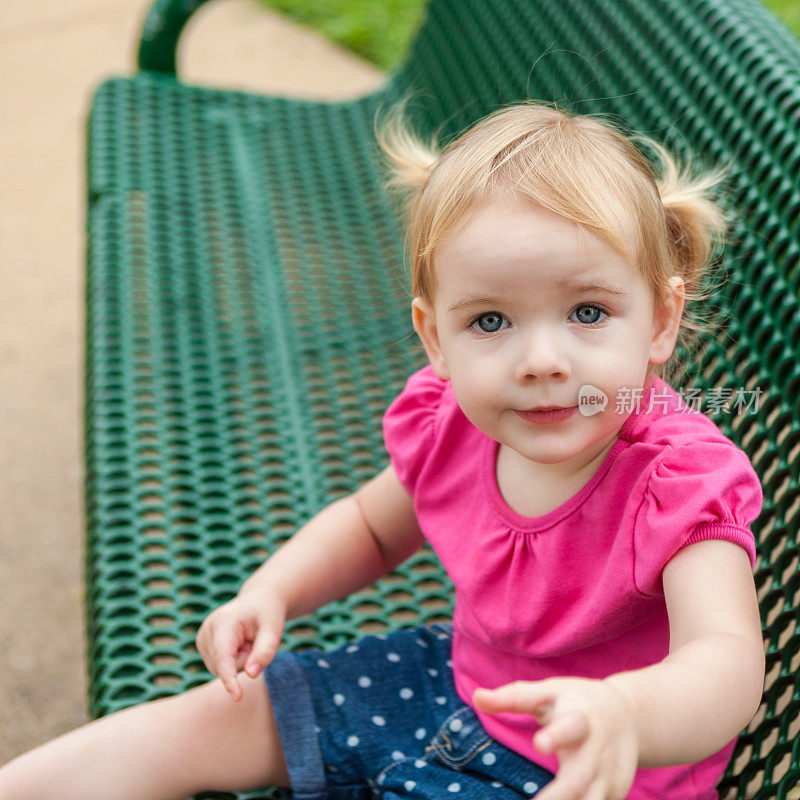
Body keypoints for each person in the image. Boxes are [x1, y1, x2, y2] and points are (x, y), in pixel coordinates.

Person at [0, 100, 765, 800]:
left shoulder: (676, 482)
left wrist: (627, 712)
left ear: (661, 321)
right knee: (209, 722)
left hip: (589, 773)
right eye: (491, 322)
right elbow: (370, 526)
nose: (541, 360)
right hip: (453, 683)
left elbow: (726, 662)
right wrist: (271, 594)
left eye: (588, 311)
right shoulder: (457, 425)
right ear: (436, 337)